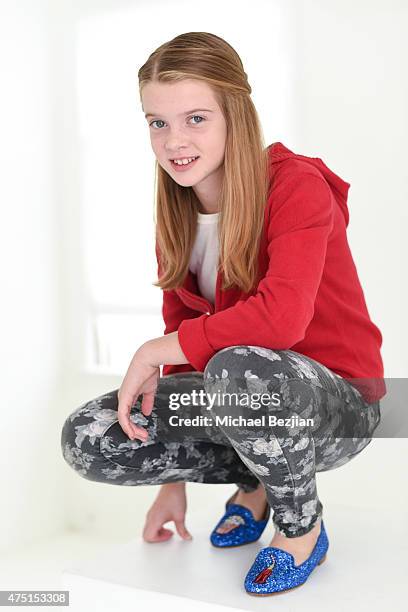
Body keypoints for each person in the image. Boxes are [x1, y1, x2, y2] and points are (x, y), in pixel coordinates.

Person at [60, 32, 386, 596]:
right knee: (90, 435)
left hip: (336, 407)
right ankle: (256, 483)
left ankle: (301, 528)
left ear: (236, 112)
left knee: (239, 367)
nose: (173, 141)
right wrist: (173, 478)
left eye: (195, 118)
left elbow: (280, 322)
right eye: (157, 123)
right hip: (241, 397)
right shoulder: (179, 216)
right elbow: (182, 338)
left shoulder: (295, 184)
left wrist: (154, 352)